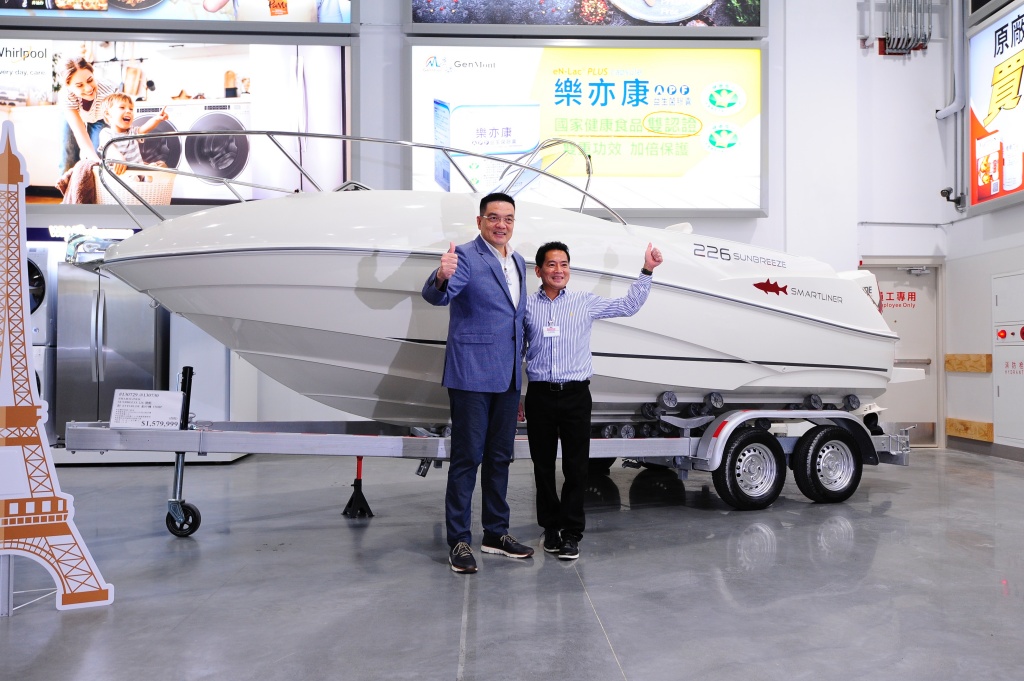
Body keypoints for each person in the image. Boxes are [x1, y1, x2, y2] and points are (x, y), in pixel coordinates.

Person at [524, 240, 663, 561]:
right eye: (552, 264)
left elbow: (628, 306)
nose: (559, 270)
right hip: (540, 396)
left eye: (564, 264)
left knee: (576, 468)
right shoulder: (527, 307)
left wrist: (647, 270)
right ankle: (551, 529)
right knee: (542, 467)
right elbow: (517, 350)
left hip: (576, 395)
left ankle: (572, 534)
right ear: (539, 271)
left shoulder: (584, 302)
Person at [421, 192, 534, 574]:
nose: (501, 224)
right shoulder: (466, 256)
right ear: (480, 221)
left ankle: (495, 533)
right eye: (494, 217)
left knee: (500, 457)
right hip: (471, 373)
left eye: (508, 218)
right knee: (468, 458)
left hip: (508, 375)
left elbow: (515, 317)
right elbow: (437, 297)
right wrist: (441, 276)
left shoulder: (518, 261)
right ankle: (458, 539)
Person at [60, 56, 119, 175]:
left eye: (90, 80)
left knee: (100, 153)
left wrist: (98, 161)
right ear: (68, 86)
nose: (88, 88)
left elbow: (118, 126)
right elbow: (80, 134)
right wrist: (94, 160)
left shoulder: (110, 91)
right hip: (76, 115)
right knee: (69, 156)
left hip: (100, 117)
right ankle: (66, 185)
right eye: (79, 85)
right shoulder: (66, 96)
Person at [97, 94, 170, 177]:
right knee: (134, 177)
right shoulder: (106, 133)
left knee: (162, 165)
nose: (129, 111)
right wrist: (118, 158)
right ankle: (146, 176)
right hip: (120, 175)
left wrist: (157, 119)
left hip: (138, 172)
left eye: (131, 109)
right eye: (122, 107)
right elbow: (109, 148)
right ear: (108, 114)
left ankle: (147, 176)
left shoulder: (132, 132)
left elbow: (145, 128)